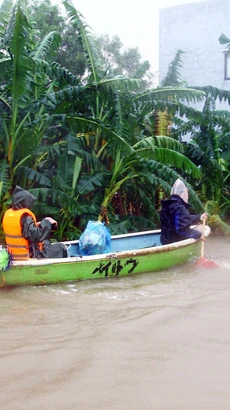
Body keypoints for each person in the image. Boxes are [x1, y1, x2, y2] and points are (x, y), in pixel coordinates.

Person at [2, 185, 68, 259]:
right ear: (25, 202)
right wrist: (47, 222)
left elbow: (21, 230)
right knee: (61, 248)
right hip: (28, 255)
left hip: (13, 254)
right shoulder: (25, 217)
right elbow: (37, 236)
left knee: (46, 243)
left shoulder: (9, 214)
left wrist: (38, 224)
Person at [160, 178, 209, 245]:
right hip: (174, 242)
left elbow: (181, 219)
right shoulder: (180, 208)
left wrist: (199, 217)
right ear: (183, 194)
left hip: (165, 241)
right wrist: (199, 235)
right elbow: (181, 230)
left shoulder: (167, 205)